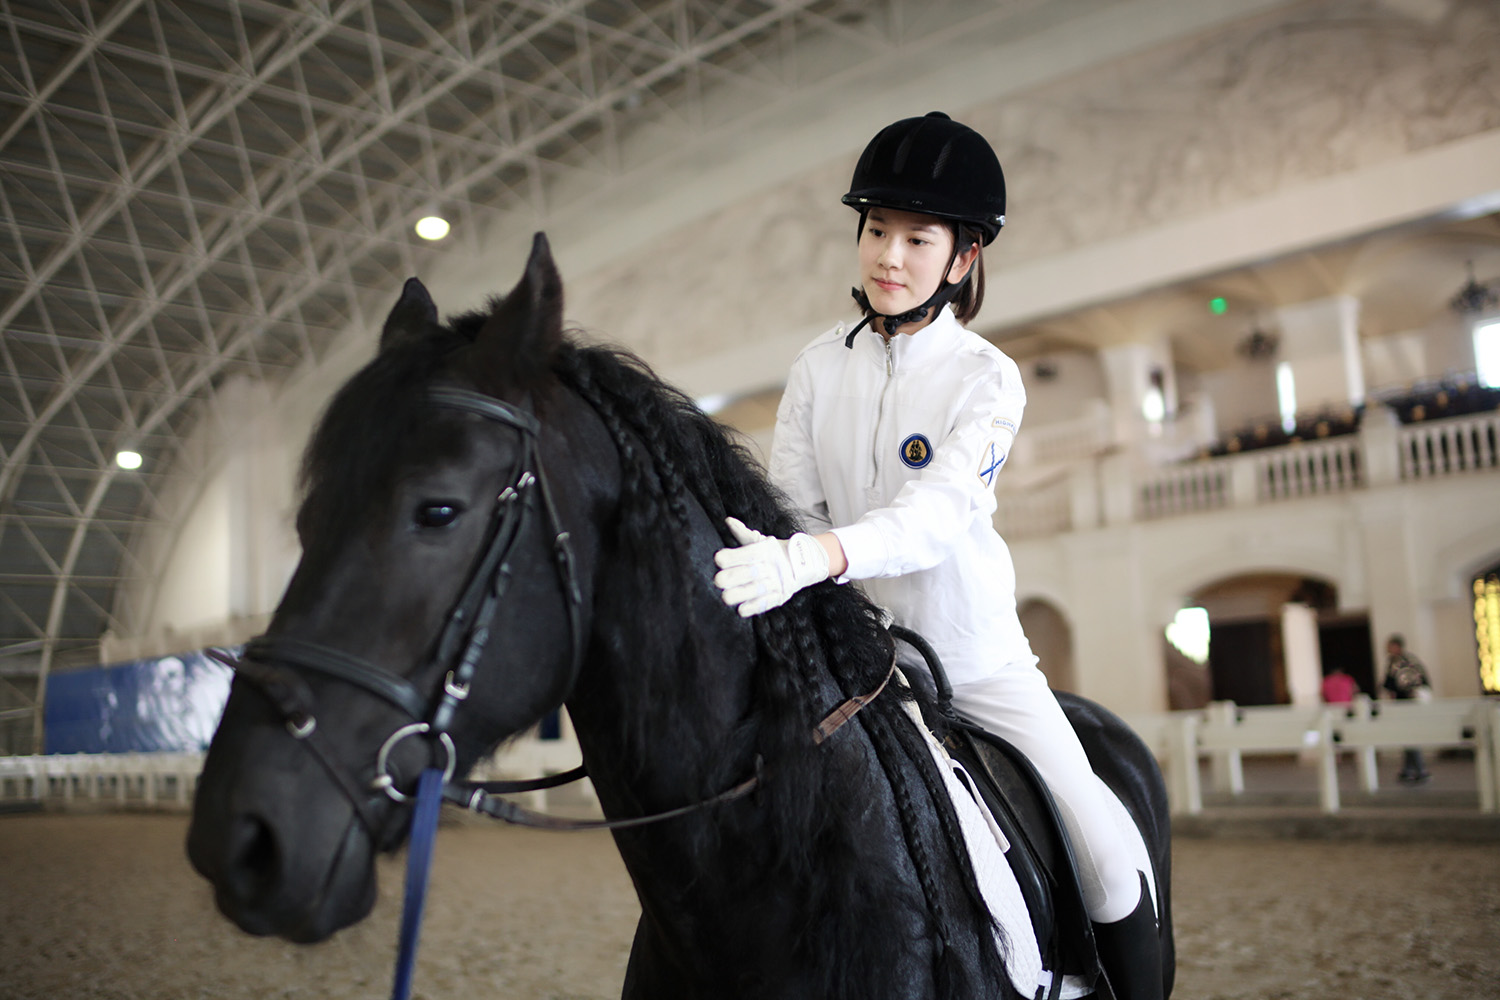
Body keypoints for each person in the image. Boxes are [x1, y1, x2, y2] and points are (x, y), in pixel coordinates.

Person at [712, 112, 1162, 1000]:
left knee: (1109, 856)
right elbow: (796, 506)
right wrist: (783, 555)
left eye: (917, 238)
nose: (888, 255)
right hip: (854, 661)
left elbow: (939, 515)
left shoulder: (987, 378)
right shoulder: (814, 369)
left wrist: (817, 556)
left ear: (961, 260)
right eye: (877, 230)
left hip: (973, 661)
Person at [1382, 634, 1432, 783]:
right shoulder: (1405, 661)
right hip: (1407, 704)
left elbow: (1395, 683)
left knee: (1410, 737)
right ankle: (1409, 769)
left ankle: (1419, 770)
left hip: (1407, 705)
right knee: (1407, 737)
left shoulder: (1401, 663)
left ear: (1397, 646)